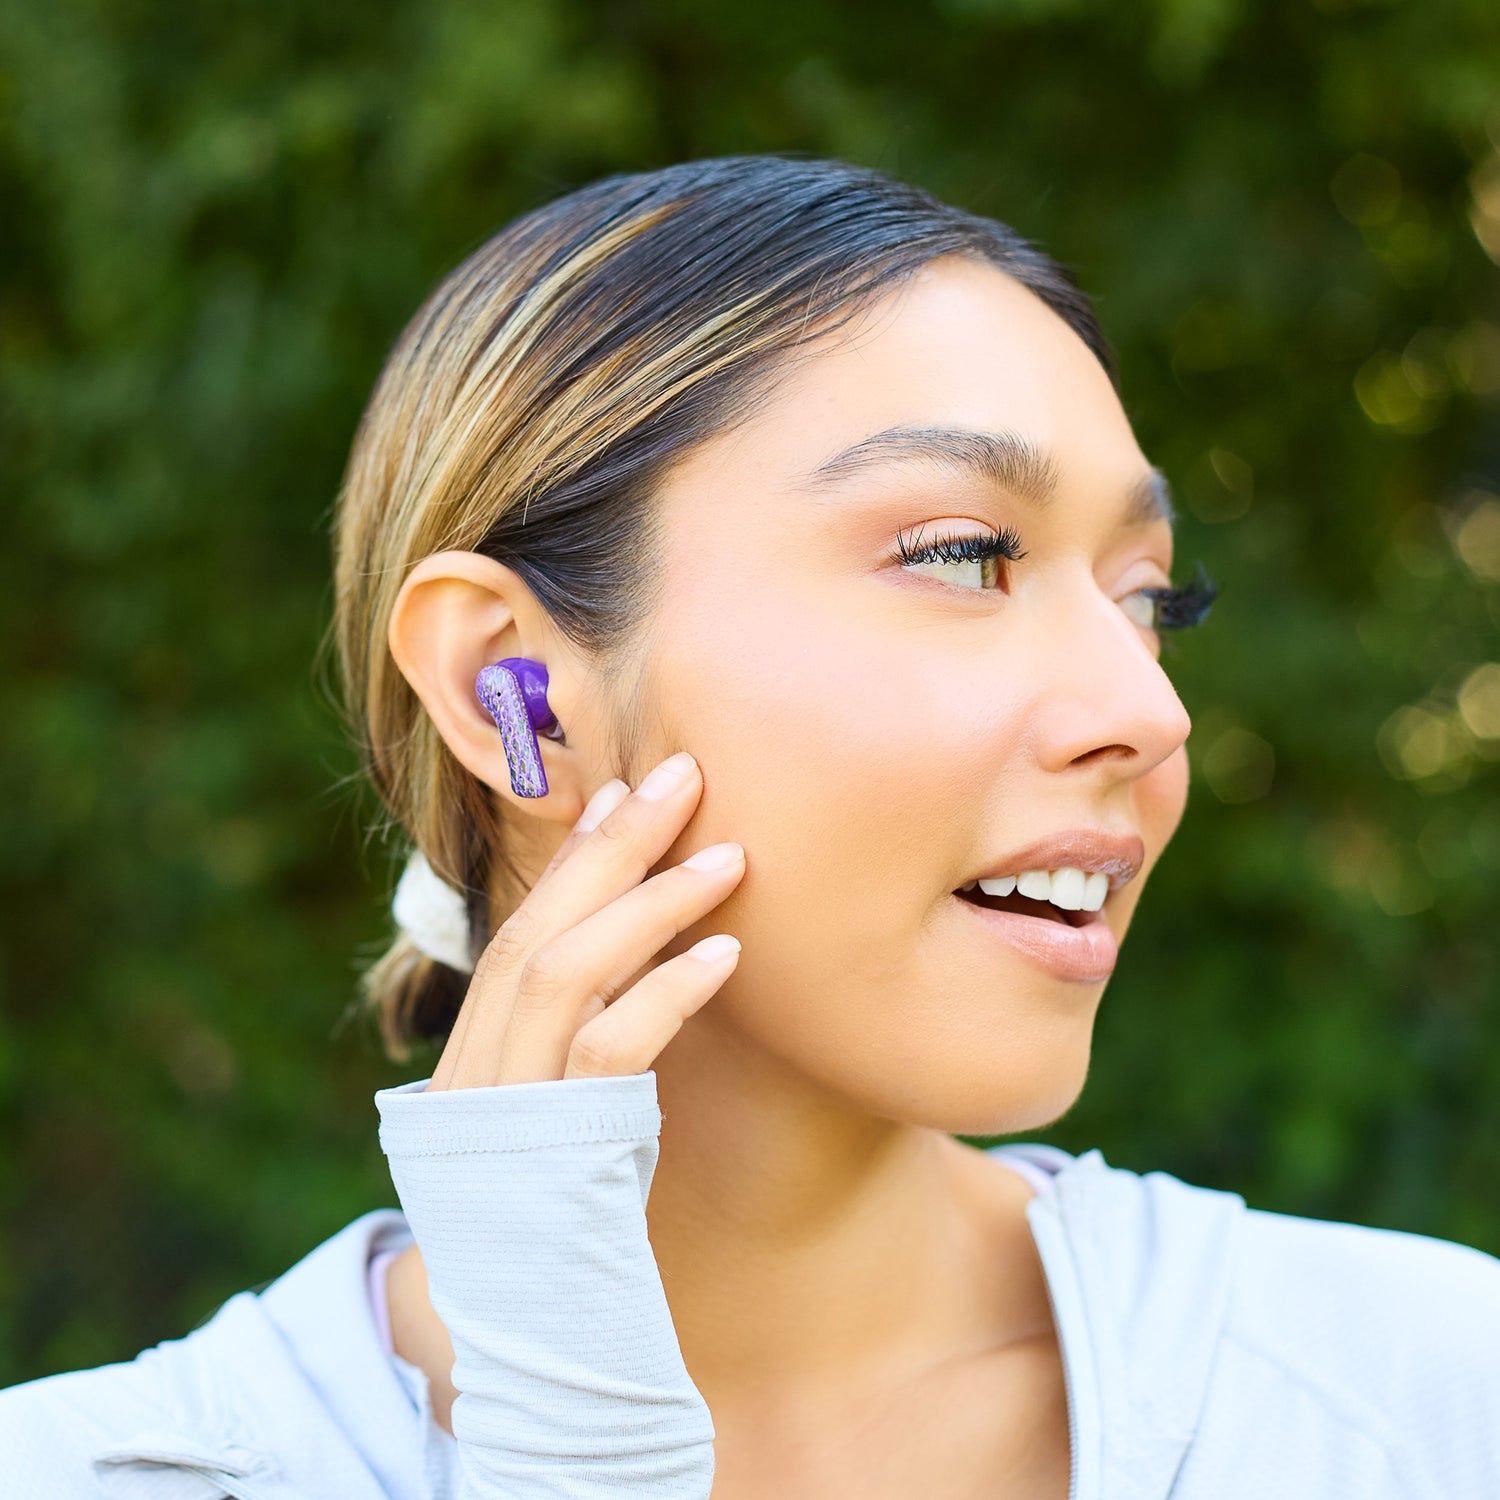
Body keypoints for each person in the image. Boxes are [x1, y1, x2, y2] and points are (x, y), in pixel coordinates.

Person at [2, 154, 1497, 1500]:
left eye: (1151, 598)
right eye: (964, 556)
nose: (1151, 712)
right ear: (512, 689)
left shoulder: (1427, 1403)